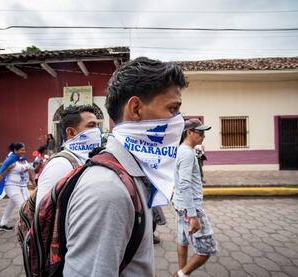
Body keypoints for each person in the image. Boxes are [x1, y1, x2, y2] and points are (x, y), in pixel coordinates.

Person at [54, 57, 187, 276]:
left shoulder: (132, 172)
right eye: (172, 109)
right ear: (135, 109)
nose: (178, 120)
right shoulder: (107, 191)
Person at [173, 119, 217, 277]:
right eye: (200, 132)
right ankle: (181, 274)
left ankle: (182, 272)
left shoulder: (182, 150)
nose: (203, 136)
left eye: (204, 132)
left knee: (183, 240)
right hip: (189, 208)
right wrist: (193, 215)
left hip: (180, 204)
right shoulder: (187, 153)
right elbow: (185, 185)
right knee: (206, 249)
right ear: (189, 132)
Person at [35, 105, 100, 207]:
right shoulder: (59, 165)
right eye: (91, 126)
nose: (97, 131)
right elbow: (43, 212)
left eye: (97, 126)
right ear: (71, 132)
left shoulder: (94, 158)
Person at [0, 142, 35, 231]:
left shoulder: (23, 159)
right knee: (24, 207)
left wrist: (34, 183)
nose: (24, 151)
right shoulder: (10, 160)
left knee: (11, 206)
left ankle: (2, 224)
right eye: (21, 150)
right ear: (15, 150)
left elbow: (29, 171)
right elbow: (0, 176)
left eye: (24, 149)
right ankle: (29, 227)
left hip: (23, 187)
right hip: (12, 187)